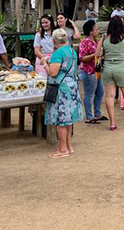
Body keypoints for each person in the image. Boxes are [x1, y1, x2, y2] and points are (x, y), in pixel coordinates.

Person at [45, 28, 83, 158]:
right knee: (68, 119)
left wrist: (45, 64)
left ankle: (62, 149)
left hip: (61, 88)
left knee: (61, 118)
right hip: (72, 85)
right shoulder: (71, 51)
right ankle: (68, 145)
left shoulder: (58, 53)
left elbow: (53, 72)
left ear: (54, 40)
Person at [78, 20, 106, 123]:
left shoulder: (96, 41)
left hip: (97, 69)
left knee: (100, 92)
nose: (97, 31)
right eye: (96, 29)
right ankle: (89, 116)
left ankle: (97, 114)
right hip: (88, 71)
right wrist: (96, 55)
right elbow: (82, 58)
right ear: (90, 31)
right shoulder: (85, 42)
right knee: (89, 93)